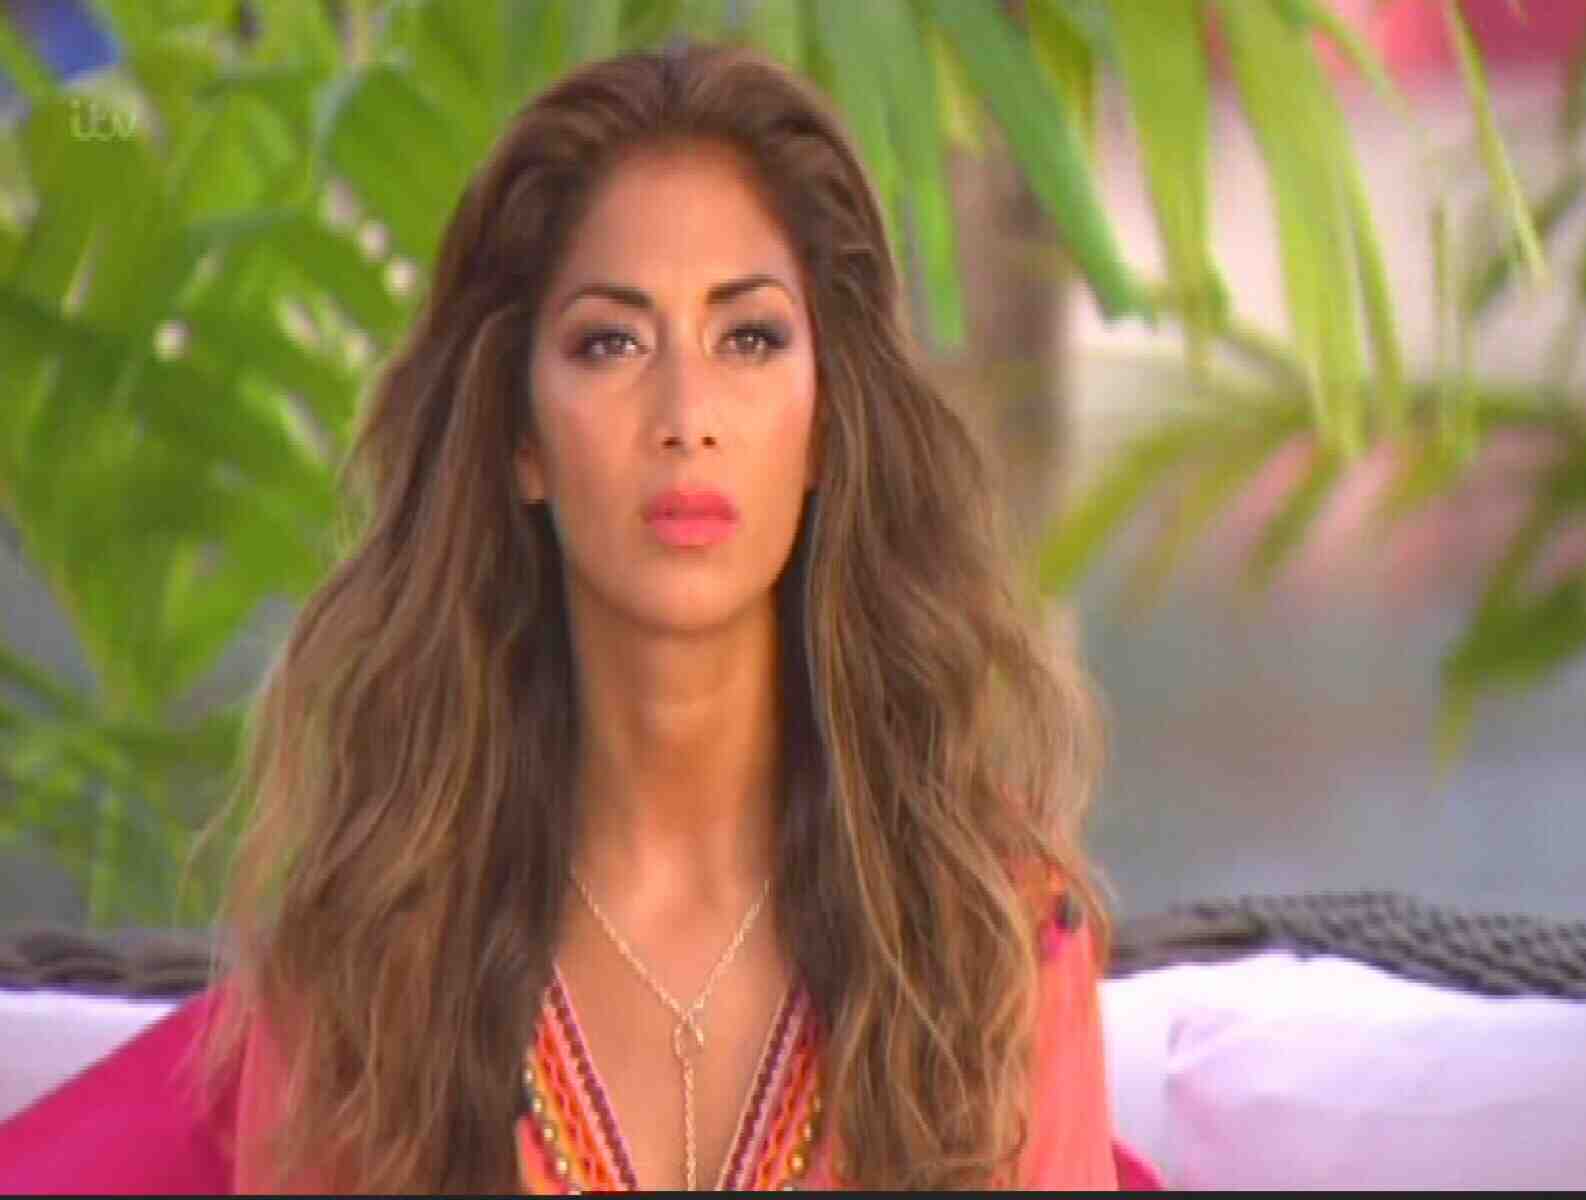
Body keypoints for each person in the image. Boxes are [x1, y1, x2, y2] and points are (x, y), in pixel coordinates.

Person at [210, 38, 1116, 1192]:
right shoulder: (373, 943)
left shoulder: (988, 930)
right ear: (521, 437)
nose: (686, 414)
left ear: (827, 421)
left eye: (749, 338)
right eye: (612, 342)